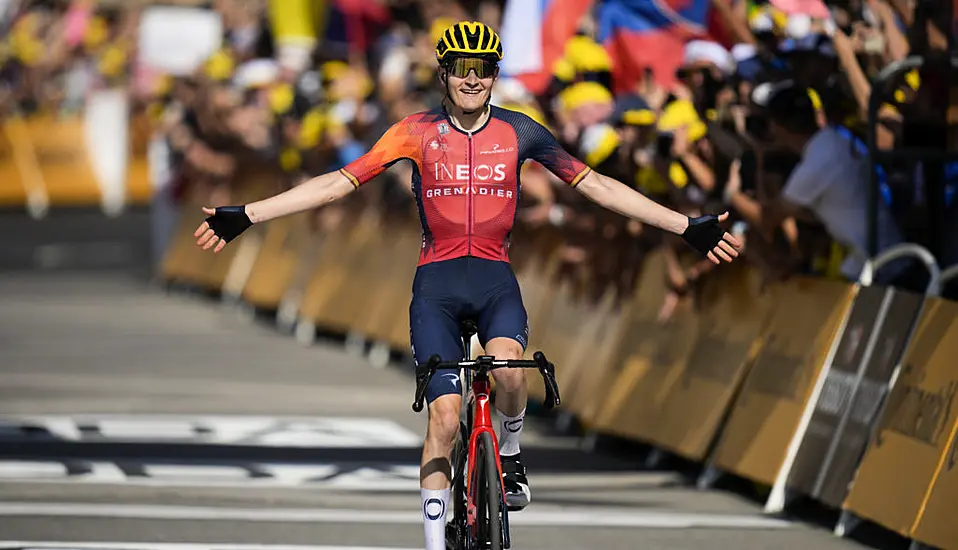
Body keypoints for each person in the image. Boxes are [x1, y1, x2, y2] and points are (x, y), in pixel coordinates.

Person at [193, 21, 741, 550]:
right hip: (436, 287)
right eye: (461, 68)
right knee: (445, 417)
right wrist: (249, 214)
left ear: (494, 74)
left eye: (482, 68)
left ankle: (510, 451)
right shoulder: (414, 132)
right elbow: (339, 182)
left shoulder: (521, 130)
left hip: (494, 280)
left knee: (509, 369)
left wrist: (685, 227)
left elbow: (595, 185)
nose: (472, 78)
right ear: (444, 74)